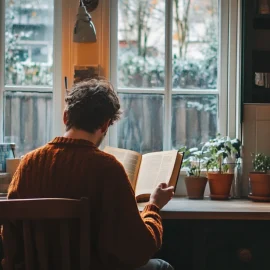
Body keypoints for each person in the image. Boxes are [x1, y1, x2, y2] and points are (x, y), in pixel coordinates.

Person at [5, 79, 174, 270]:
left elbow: (10, 237)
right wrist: (153, 206)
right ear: (104, 125)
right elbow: (138, 249)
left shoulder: (28, 164)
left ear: (65, 117)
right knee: (162, 266)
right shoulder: (107, 168)